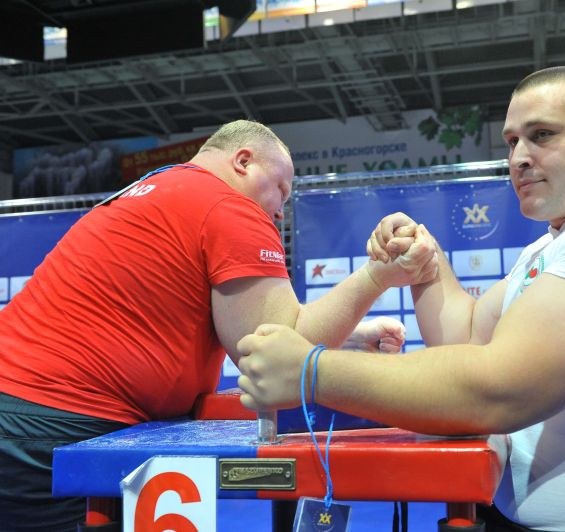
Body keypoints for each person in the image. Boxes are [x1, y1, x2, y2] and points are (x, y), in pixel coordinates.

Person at [236, 67, 565, 531]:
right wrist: (426, 264)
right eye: (512, 141)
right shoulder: (556, 244)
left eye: (543, 135)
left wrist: (311, 371)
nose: (518, 157)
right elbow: (467, 335)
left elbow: (498, 389)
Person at [0, 119, 436, 531]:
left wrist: (351, 334)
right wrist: (378, 276)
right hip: (49, 431)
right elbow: (280, 346)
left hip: (30, 419)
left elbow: (244, 319)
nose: (280, 213)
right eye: (281, 190)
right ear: (243, 162)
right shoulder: (229, 205)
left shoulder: (161, 186)